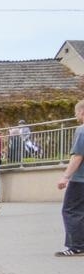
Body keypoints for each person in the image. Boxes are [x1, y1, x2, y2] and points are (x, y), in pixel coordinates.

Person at [56, 99, 84, 256]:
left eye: (76, 113)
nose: (76, 116)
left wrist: (65, 177)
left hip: (80, 179)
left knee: (70, 210)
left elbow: (78, 156)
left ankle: (76, 246)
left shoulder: (82, 130)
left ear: (82, 112)